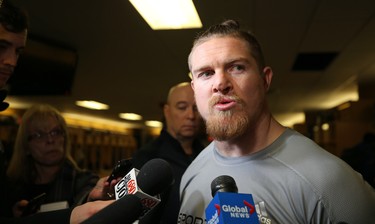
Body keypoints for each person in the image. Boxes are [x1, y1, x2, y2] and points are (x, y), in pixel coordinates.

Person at [178, 20, 375, 223]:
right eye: (206, 73)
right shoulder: (193, 171)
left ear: (265, 80)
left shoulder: (328, 181)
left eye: (236, 67)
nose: (220, 83)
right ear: (194, 89)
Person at [1, 104, 99, 217]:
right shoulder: (11, 188)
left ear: (65, 139)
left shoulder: (84, 181)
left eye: (56, 132)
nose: (50, 140)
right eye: (39, 135)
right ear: (26, 146)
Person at [132, 82, 205, 223]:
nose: (191, 115)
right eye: (182, 107)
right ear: (167, 111)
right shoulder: (147, 157)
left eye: (196, 108)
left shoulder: (209, 155)